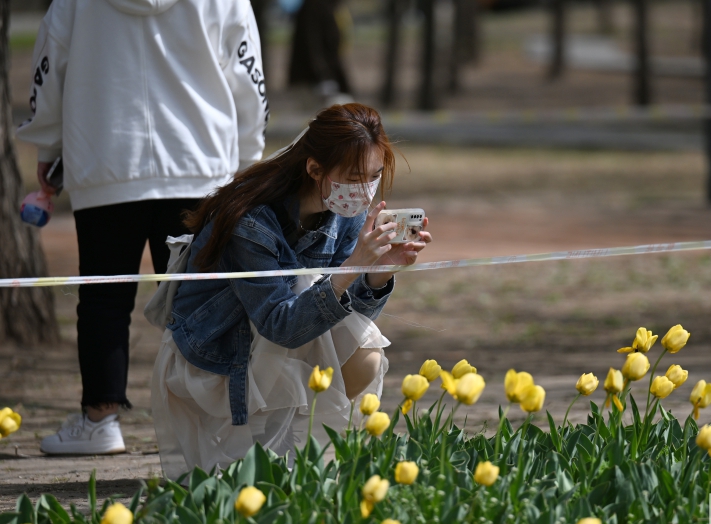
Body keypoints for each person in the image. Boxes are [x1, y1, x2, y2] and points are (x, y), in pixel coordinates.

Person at [17, 0, 269, 455]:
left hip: (105, 159)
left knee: (104, 296)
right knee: (202, 302)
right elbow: (246, 72)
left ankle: (100, 419)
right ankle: (214, 421)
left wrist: (48, 145)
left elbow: (49, 68)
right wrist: (248, 155)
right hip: (201, 164)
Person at [150, 103, 431, 479]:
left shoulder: (342, 211)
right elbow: (279, 323)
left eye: (375, 175)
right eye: (354, 176)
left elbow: (348, 315)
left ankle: (280, 450)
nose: (365, 189)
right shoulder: (253, 219)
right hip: (218, 350)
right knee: (304, 286)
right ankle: (261, 455)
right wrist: (352, 267)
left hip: (274, 341)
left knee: (365, 355)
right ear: (314, 169)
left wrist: (377, 271)